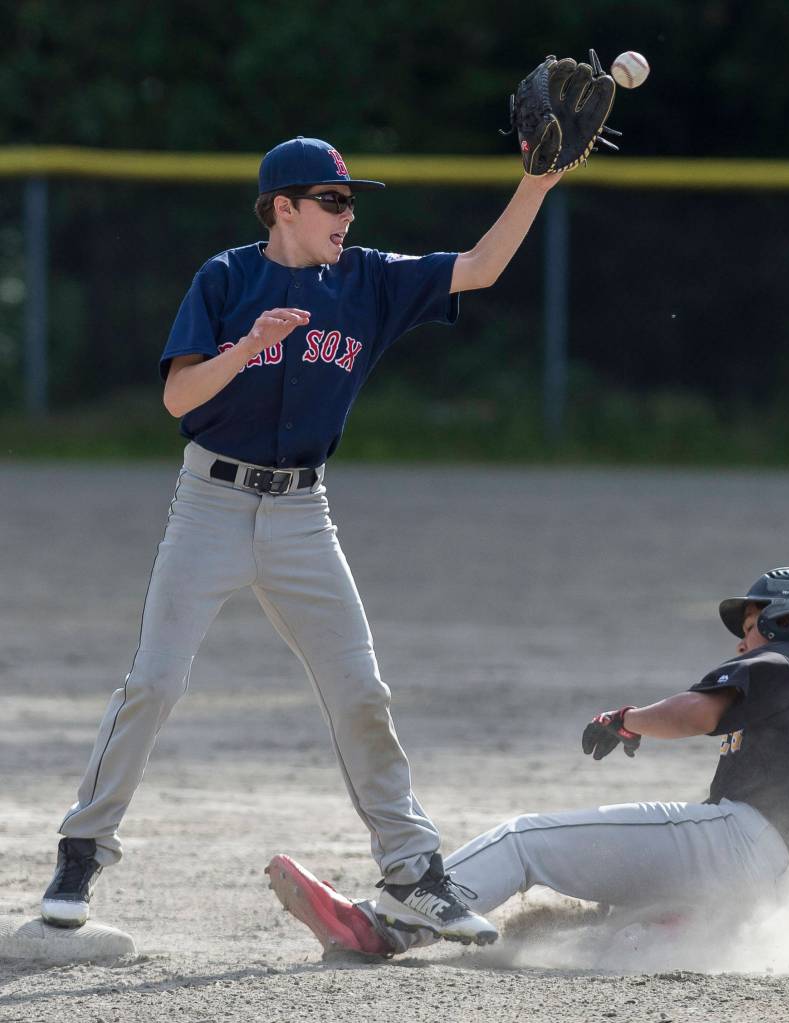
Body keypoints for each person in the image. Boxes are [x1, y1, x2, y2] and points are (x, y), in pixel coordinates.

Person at [41, 136, 562, 943]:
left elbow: (481, 266)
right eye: (332, 200)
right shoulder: (225, 278)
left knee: (362, 691)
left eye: (351, 201)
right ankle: (81, 851)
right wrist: (248, 348)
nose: (348, 215)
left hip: (302, 517)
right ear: (282, 207)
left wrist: (537, 182)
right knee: (153, 682)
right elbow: (180, 396)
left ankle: (413, 871)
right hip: (208, 506)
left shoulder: (368, 280)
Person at [266, 567, 789, 957]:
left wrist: (626, 719)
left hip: (742, 845)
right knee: (617, 930)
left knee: (524, 841)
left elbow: (697, 713)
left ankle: (381, 924)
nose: (742, 642)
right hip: (782, 896)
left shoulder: (784, 664)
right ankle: (659, 930)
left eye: (753, 625)